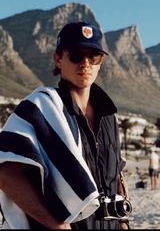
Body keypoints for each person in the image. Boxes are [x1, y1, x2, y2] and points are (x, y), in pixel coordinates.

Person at [0, 21, 131, 229]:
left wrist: (123, 221)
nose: (85, 63)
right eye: (77, 55)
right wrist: (57, 225)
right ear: (58, 59)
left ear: (101, 61)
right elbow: (5, 173)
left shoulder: (109, 117)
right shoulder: (39, 108)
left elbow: (115, 175)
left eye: (93, 57)